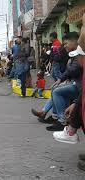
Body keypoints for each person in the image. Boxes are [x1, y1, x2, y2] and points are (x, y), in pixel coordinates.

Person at [52, 15, 85, 171]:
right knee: (57, 92)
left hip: (79, 87)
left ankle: (65, 124)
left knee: (59, 92)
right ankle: (64, 122)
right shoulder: (74, 54)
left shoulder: (78, 54)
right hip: (79, 87)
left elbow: (73, 70)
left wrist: (76, 103)